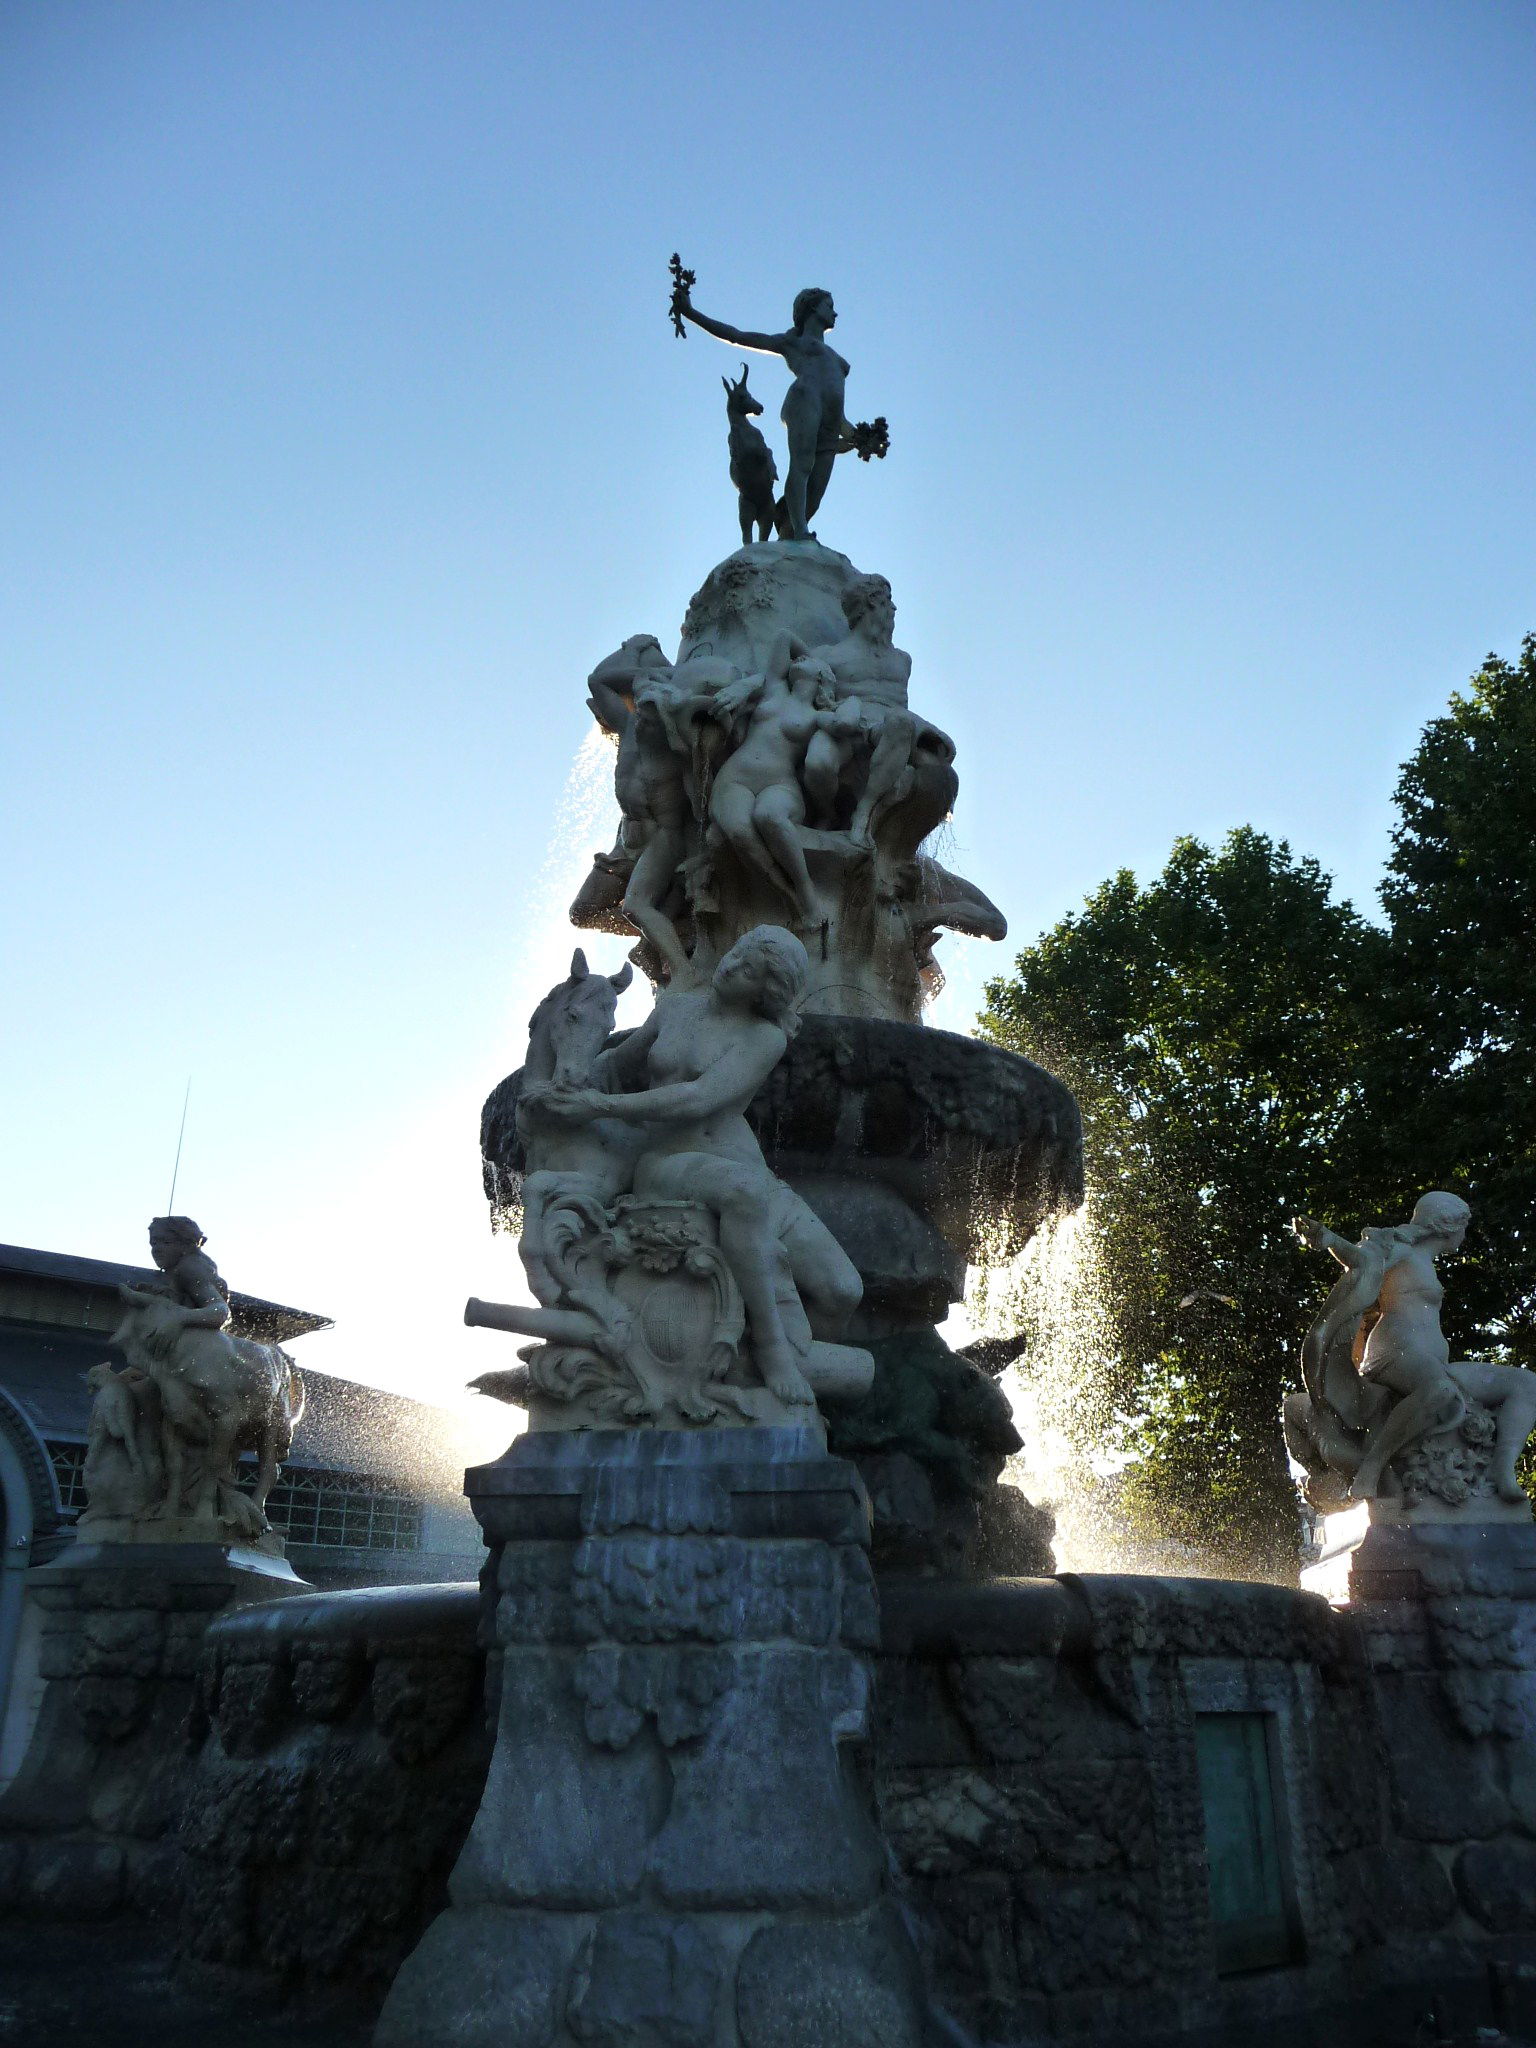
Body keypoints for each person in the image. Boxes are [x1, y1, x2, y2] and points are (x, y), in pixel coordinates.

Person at [542, 926, 861, 1406]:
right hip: (669, 1162)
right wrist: (571, 1068)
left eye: (749, 969)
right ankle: (773, 1352)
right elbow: (618, 1065)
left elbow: (699, 1097)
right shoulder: (674, 1008)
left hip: (743, 1169)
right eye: (736, 951)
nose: (731, 965)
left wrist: (597, 1107)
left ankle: (749, 1354)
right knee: (741, 1195)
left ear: (766, 991)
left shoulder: (764, 1036)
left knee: (844, 1290)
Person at [1296, 1192, 1536, 1502]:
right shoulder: (1401, 1250)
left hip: (1433, 1364)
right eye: (1464, 1226)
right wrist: (1330, 1240)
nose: (1465, 1234)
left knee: (1527, 1383)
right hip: (1393, 1355)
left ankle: (1501, 1471)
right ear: (1448, 1225)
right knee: (1438, 1389)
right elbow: (1366, 1260)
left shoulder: (1424, 1260)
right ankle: (1372, 1467)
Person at [674, 284, 860, 542]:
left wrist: (860, 436)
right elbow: (736, 336)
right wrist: (691, 313)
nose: (835, 313)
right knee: (802, 466)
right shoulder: (793, 342)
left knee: (816, 490)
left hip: (832, 418)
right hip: (805, 401)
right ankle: (801, 532)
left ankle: (788, 529)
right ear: (812, 308)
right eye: (830, 306)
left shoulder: (839, 362)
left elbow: (839, 410)